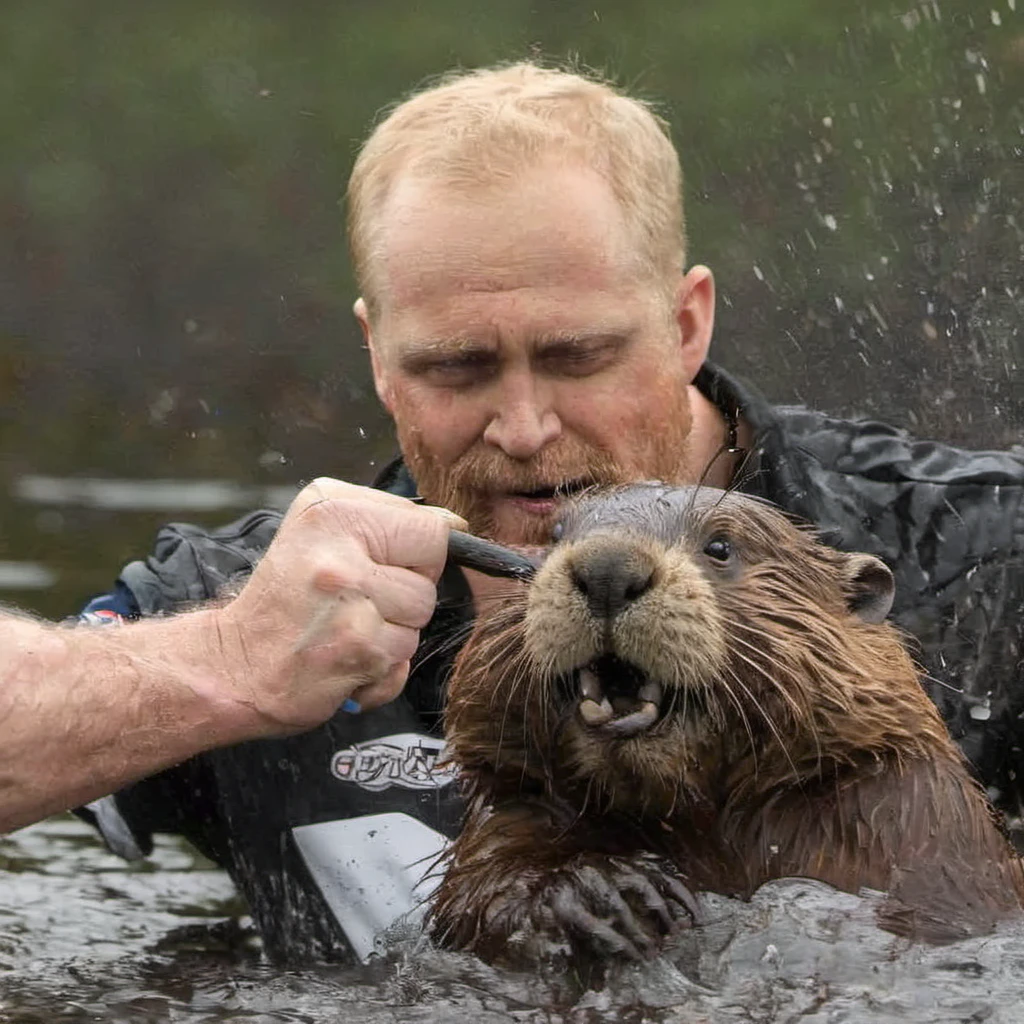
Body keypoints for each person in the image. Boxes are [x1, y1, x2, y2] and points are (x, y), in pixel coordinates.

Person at [75, 62, 1024, 962]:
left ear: (687, 323)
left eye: (578, 357)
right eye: (456, 366)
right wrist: (222, 665)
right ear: (378, 356)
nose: (524, 429)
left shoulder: (977, 552)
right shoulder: (246, 600)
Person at [0, 478, 460, 835]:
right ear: (385, 375)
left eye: (539, 364)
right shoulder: (256, 586)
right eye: (456, 368)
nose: (521, 432)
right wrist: (233, 657)